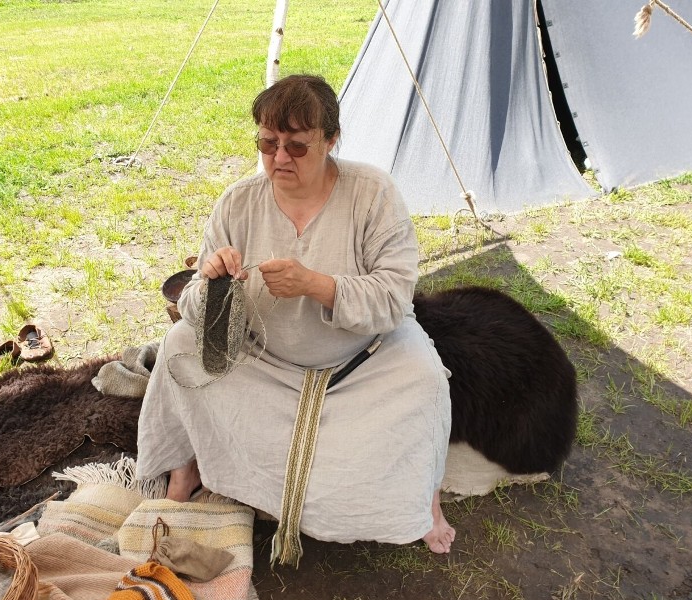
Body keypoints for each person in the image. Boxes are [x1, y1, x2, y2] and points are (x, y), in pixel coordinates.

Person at [136, 74, 455, 554]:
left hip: (360, 363)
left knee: (425, 376)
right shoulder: (238, 202)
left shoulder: (373, 194)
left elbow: (395, 298)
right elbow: (194, 312)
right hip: (265, 361)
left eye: (297, 147)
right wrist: (213, 281)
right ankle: (189, 463)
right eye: (268, 143)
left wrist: (317, 286)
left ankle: (423, 499)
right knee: (180, 347)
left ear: (331, 140)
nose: (279, 158)